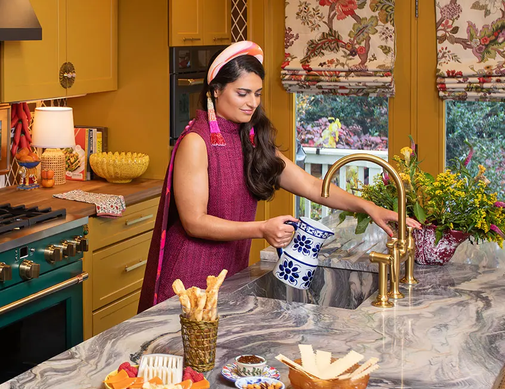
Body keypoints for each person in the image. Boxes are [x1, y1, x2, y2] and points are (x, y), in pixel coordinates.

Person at [137, 41, 420, 313]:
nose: (252, 103)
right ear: (215, 91)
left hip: (227, 277)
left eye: (257, 94)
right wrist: (262, 229)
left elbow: (310, 185)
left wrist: (368, 207)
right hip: (189, 283)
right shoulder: (196, 143)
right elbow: (194, 222)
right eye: (242, 93)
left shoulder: (250, 139)